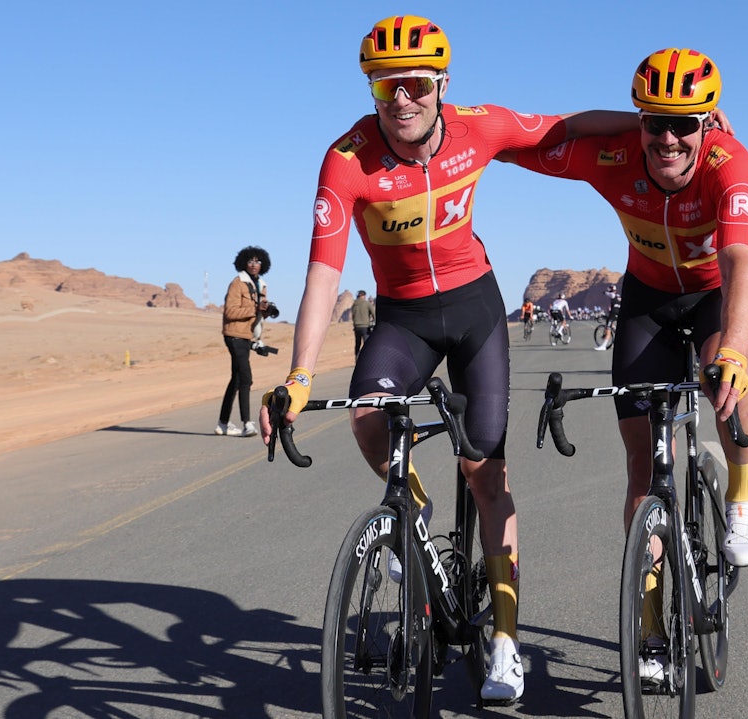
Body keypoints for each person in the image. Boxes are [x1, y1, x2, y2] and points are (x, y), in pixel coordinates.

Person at [258, 15, 641, 703]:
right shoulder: (346, 159)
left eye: (414, 84)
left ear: (441, 84)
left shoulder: (478, 127)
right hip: (403, 318)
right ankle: (412, 510)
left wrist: (652, 121)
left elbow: (565, 127)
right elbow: (323, 272)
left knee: (486, 473)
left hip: (474, 311)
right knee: (367, 417)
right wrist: (299, 375)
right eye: (385, 87)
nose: (401, 99)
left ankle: (505, 643)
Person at [509, 49, 748, 580]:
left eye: (684, 124)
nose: (668, 139)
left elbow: (739, 261)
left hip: (715, 293)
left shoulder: (729, 163)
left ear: (706, 124)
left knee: (728, 386)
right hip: (648, 299)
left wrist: (735, 354)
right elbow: (528, 141)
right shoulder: (615, 155)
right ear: (638, 120)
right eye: (655, 122)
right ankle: (646, 614)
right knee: (641, 464)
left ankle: (742, 498)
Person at [217, 246, 274, 438]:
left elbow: (258, 314)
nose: (254, 265)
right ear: (243, 263)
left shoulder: (261, 285)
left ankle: (222, 423)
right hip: (234, 335)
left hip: (247, 335)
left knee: (236, 380)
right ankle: (247, 424)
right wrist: (255, 309)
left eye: (258, 261)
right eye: (250, 261)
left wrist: (265, 311)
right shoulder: (238, 283)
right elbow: (230, 312)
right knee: (246, 378)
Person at [595, 282, 622, 350]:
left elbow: (606, 293)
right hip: (618, 312)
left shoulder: (612, 295)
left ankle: (603, 346)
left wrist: (604, 292)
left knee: (608, 329)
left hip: (613, 313)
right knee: (610, 323)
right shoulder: (619, 296)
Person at [350, 289, 374, 358]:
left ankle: (357, 359)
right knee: (367, 343)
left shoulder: (354, 304)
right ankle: (367, 358)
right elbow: (373, 313)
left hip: (357, 327)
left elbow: (353, 315)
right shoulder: (366, 303)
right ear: (363, 296)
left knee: (358, 344)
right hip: (365, 327)